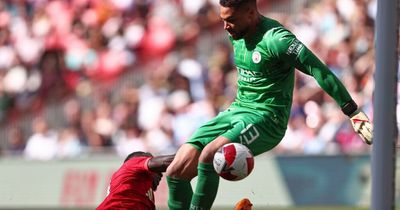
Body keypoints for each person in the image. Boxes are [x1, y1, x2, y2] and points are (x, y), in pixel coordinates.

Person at [165, 0, 373, 210]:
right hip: (237, 110)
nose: (226, 27)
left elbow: (318, 70)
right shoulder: (235, 31)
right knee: (177, 170)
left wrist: (352, 111)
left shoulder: (277, 40)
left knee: (210, 155)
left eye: (231, 20)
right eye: (223, 20)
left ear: (250, 12)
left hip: (267, 120)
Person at [96, 151, 175, 210]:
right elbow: (165, 162)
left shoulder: (146, 198)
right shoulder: (131, 163)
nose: (160, 174)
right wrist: (186, 153)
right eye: (155, 169)